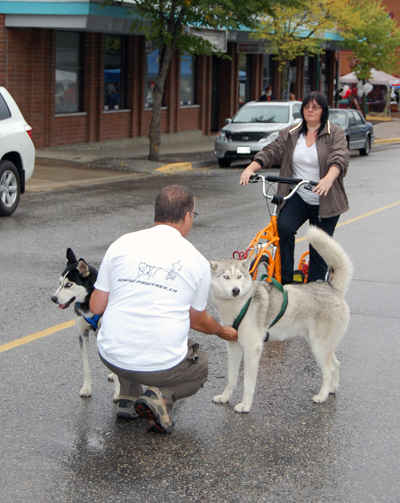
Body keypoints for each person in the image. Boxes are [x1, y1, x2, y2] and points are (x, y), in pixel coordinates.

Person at [90, 185, 237, 434]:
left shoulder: (121, 244)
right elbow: (198, 321)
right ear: (188, 216)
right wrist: (222, 331)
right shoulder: (197, 261)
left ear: (156, 213)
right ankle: (160, 396)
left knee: (120, 319)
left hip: (111, 355)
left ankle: (127, 398)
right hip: (160, 365)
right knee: (200, 365)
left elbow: (96, 306)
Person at [239, 91, 350, 285]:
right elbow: (272, 151)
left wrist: (327, 179)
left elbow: (339, 158)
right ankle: (286, 283)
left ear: (323, 111)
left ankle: (314, 290)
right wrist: (250, 168)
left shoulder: (335, 133)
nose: (310, 110)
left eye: (315, 107)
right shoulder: (292, 133)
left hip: (326, 199)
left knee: (318, 246)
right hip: (298, 194)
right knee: (284, 228)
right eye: (307, 106)